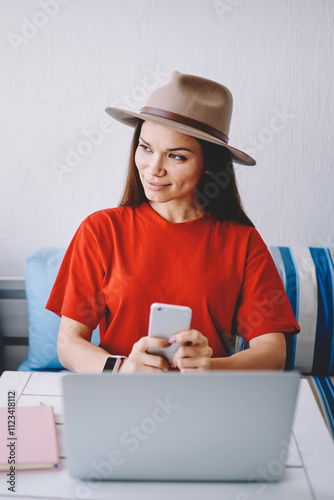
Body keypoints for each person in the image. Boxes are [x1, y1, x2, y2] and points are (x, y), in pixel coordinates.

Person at [46, 71, 300, 374]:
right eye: (146, 147)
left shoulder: (243, 242)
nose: (154, 168)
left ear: (209, 166)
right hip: (118, 394)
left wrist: (210, 368)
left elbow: (273, 353)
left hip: (206, 400)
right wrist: (124, 369)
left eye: (176, 157)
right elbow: (68, 342)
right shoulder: (101, 231)